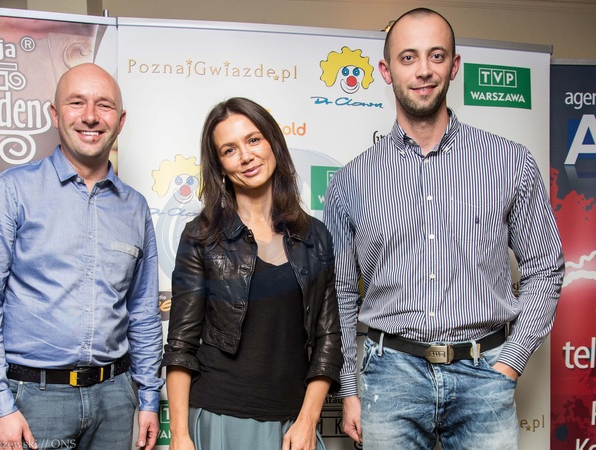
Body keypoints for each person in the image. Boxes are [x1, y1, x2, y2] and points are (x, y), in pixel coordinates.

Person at [323, 8, 564, 449]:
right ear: (386, 70)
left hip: (485, 371)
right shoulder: (349, 182)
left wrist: (510, 361)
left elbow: (545, 267)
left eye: (436, 56)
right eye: (408, 57)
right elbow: (339, 293)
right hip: (390, 376)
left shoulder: (510, 162)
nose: (423, 70)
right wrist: (350, 388)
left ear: (454, 66)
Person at [0, 63, 163, 450]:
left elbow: (143, 311)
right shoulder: (11, 190)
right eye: (76, 102)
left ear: (120, 121)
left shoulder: (135, 208)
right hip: (33, 402)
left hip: (116, 400)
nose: (90, 116)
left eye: (104, 105)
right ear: (55, 114)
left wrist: (149, 397)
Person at [162, 97, 343, 450]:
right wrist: (180, 435)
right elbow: (182, 344)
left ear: (273, 142)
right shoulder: (201, 236)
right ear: (219, 165)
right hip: (221, 417)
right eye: (229, 150)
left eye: (254, 140)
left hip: (293, 422)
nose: (246, 156)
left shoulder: (315, 236)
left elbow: (328, 337)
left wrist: (308, 421)